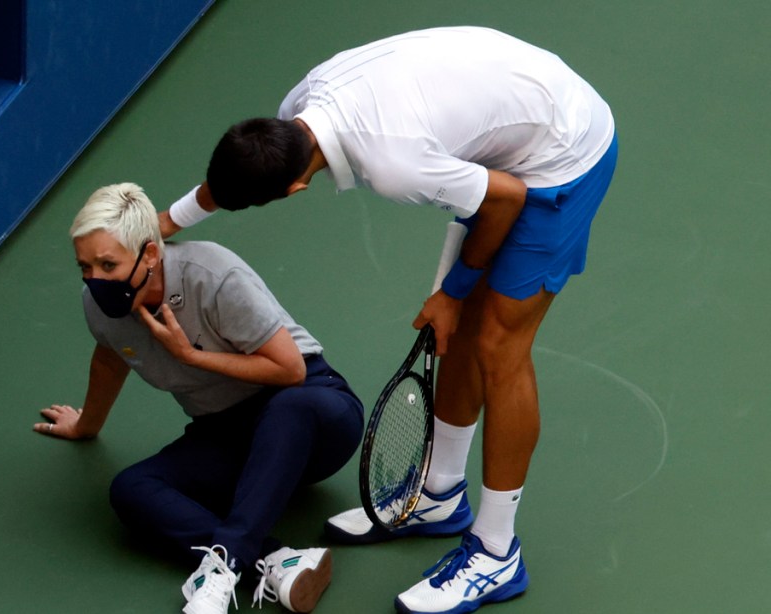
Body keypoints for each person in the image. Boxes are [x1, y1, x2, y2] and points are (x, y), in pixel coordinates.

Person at [157, 26, 618, 614]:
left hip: (561, 151)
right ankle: (440, 495)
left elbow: (505, 199)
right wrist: (167, 221)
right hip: (505, 118)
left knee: (497, 346)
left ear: (297, 188)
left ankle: (497, 552)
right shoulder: (295, 113)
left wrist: (452, 291)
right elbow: (232, 183)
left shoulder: (394, 165)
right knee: (459, 335)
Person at [33, 183, 364, 614]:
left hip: (312, 414)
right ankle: (276, 560)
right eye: (85, 267)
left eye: (107, 264)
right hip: (227, 432)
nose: (95, 279)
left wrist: (189, 355)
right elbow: (110, 359)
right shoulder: (100, 306)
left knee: (289, 407)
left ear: (149, 255)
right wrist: (86, 425)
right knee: (132, 489)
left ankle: (223, 567)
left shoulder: (213, 276)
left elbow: (291, 370)